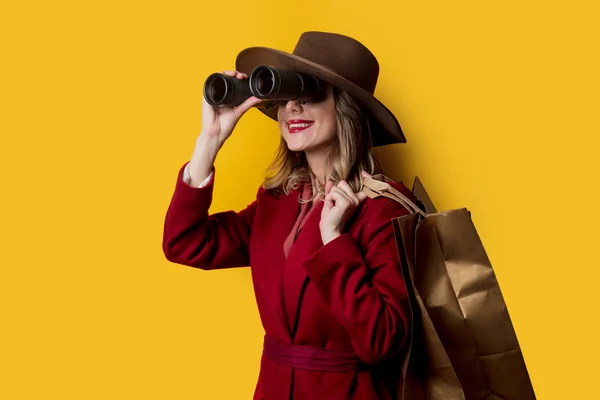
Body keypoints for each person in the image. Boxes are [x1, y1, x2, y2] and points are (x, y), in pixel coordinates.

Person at [162, 31, 420, 400]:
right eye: (285, 97)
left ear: (345, 109)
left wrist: (335, 240)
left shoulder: (385, 208)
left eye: (310, 94)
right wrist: (209, 141)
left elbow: (380, 342)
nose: (292, 109)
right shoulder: (277, 201)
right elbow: (185, 244)